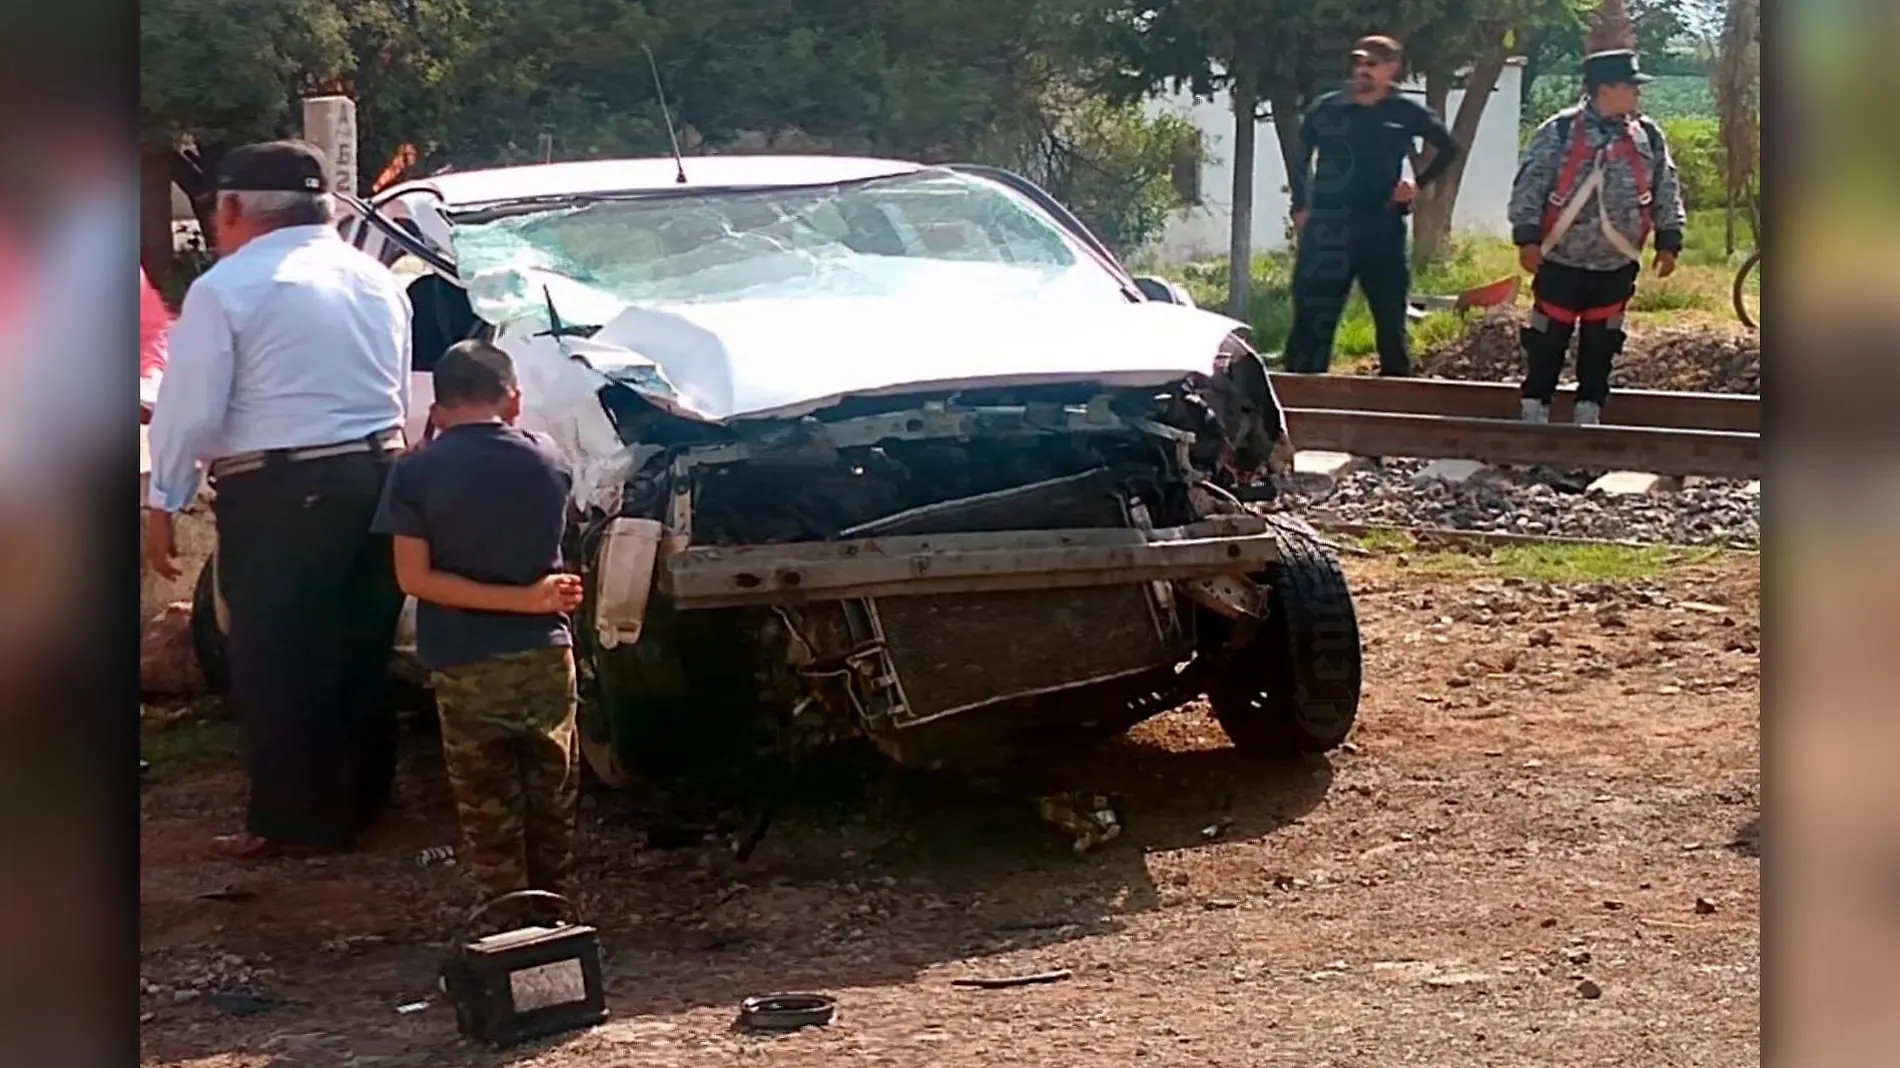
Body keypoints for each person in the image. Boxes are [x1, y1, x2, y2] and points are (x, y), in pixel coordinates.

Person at [143, 140, 413, 858]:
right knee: (361, 646)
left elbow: (190, 405)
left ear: (231, 209)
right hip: (380, 475)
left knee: (280, 658)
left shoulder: (230, 287)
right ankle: (364, 804)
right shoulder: (376, 279)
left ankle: (303, 824)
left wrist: (163, 497)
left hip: (281, 487)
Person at [371, 340, 585, 915]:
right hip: (544, 654)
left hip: (464, 659)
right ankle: (556, 915)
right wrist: (532, 600)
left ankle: (506, 922)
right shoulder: (548, 459)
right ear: (513, 401)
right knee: (550, 793)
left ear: (436, 409)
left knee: (487, 802)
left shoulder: (414, 473)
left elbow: (414, 578)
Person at [1508, 49, 1687, 424]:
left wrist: (1669, 239)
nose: (1638, 94)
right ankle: (1535, 407)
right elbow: (1530, 185)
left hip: (1615, 263)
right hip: (1560, 258)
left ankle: (1589, 409)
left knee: (1602, 342)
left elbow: (1665, 187)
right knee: (1547, 339)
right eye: (1630, 86)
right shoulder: (1559, 131)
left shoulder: (1648, 136)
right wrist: (1526, 238)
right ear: (1605, 88)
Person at [1284, 35, 1463, 377]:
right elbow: (1301, 155)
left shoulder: (1405, 111)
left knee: (1389, 313)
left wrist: (1417, 184)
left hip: (1381, 224)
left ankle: (1395, 395)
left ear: (1392, 68)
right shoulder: (1328, 108)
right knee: (1313, 313)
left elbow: (1449, 148)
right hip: (1328, 226)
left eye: (1372, 64)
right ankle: (1301, 394)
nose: (1363, 70)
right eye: (1359, 63)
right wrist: (1301, 205)